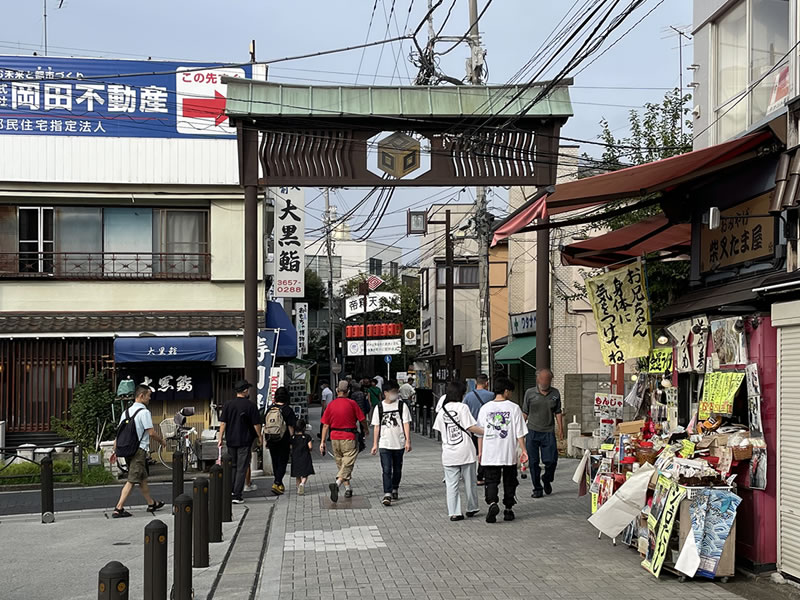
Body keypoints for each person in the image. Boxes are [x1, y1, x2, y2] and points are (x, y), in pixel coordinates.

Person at [477, 376, 528, 523]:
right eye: (510, 391)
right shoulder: (514, 408)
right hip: (508, 453)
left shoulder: (485, 408)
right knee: (509, 481)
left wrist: (480, 452)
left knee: (491, 481)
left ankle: (492, 503)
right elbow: (520, 433)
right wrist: (523, 450)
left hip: (490, 453)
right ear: (506, 391)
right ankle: (508, 509)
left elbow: (480, 432)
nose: (511, 394)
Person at [112, 385, 167, 518]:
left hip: (127, 449)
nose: (149, 398)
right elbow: (151, 432)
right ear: (141, 396)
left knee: (142, 478)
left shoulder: (126, 412)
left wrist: (115, 449)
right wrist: (162, 441)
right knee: (132, 479)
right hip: (139, 450)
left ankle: (151, 503)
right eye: (148, 395)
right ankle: (118, 508)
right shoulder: (144, 412)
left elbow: (119, 433)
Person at [433, 381, 484, 521]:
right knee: (470, 481)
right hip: (465, 451)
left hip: (449, 452)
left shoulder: (442, 410)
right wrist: (487, 432)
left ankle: (454, 512)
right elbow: (471, 427)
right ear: (461, 393)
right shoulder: (462, 407)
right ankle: (472, 507)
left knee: (451, 484)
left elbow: (438, 429)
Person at [320, 380, 369, 502]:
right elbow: (362, 419)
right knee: (348, 463)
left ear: (337, 391)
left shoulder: (331, 405)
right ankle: (337, 484)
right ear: (348, 391)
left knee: (341, 464)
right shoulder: (352, 403)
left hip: (334, 437)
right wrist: (366, 429)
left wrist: (322, 442)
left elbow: (325, 425)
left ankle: (348, 489)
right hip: (349, 436)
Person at [522, 367, 564, 498]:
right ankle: (537, 488)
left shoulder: (555, 393)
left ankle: (546, 479)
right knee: (533, 462)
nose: (545, 383)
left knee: (551, 460)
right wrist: (520, 431)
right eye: (542, 380)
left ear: (551, 380)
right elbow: (525, 412)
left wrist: (561, 429)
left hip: (548, 432)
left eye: (548, 380)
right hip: (532, 431)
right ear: (537, 379)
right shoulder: (529, 393)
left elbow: (558, 412)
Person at [218, 380, 263, 504]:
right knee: (241, 468)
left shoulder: (228, 404)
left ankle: (231, 491)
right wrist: (260, 436)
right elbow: (256, 424)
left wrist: (220, 438)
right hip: (244, 440)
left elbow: (223, 422)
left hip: (231, 439)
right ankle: (237, 494)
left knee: (232, 466)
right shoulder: (250, 406)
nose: (248, 391)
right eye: (247, 389)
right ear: (244, 391)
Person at [370, 380, 412, 506]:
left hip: (399, 442)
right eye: (393, 392)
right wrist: (375, 444)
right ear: (385, 393)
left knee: (397, 469)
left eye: (396, 392)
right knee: (386, 469)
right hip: (384, 443)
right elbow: (376, 426)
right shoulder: (379, 407)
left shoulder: (401, 406)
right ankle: (387, 493)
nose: (395, 394)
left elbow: (406, 423)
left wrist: (408, 440)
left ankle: (395, 487)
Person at [265, 386, 297, 495]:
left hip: (271, 439)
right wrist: (292, 439)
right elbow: (291, 427)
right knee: (282, 461)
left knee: (275, 461)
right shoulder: (287, 410)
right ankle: (277, 482)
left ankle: (279, 483)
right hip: (283, 440)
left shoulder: (270, 409)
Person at [463, 374, 494, 485]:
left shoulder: (468, 396)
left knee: (473, 453)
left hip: (472, 429)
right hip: (487, 429)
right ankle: (481, 475)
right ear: (486, 383)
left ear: (476, 383)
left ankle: (470, 475)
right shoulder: (491, 395)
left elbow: (464, 411)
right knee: (484, 452)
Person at [290, 418, 314, 495]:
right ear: (304, 427)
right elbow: (310, 447)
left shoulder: (293, 437)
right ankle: (302, 484)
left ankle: (298, 488)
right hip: (305, 457)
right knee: (305, 473)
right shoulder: (307, 437)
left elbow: (290, 447)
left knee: (297, 475)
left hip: (295, 457)